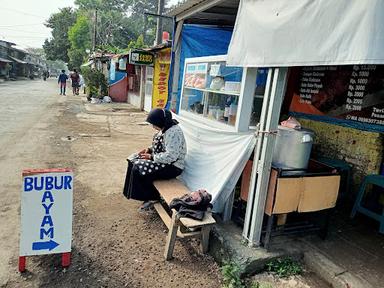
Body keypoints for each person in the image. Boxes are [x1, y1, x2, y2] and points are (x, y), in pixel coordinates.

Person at [123, 108, 187, 211]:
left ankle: (152, 197)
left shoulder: (174, 132)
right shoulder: (166, 128)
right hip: (164, 161)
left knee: (139, 168)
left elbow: (171, 156)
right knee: (133, 159)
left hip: (173, 167)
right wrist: (148, 150)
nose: (153, 126)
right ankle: (137, 194)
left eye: (154, 124)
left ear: (161, 121)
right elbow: (160, 146)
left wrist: (152, 157)